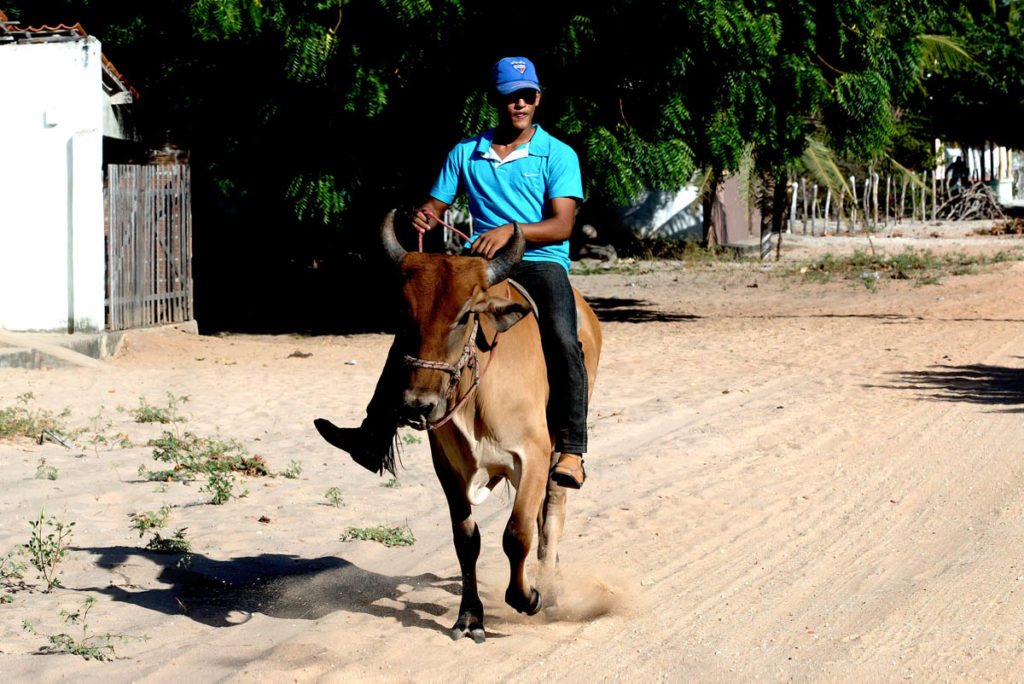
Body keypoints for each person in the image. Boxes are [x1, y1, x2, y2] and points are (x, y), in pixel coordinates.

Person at [315, 56, 590, 488]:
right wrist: (422, 217)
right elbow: (435, 207)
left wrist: (509, 231)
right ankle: (374, 434)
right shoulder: (466, 152)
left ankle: (572, 448)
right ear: (495, 101)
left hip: (541, 261)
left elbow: (562, 225)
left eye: (526, 96)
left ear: (537, 99)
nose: (518, 104)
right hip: (478, 266)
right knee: (417, 328)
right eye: (509, 97)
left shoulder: (558, 154)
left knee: (561, 333)